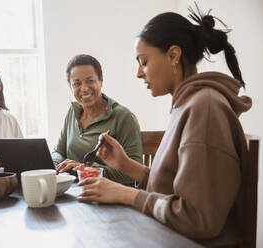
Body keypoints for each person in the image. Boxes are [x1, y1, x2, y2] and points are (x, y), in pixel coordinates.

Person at [77, 6, 252, 245]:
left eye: (144, 62)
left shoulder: (205, 109)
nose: (139, 73)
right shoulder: (188, 105)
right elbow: (173, 188)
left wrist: (124, 193)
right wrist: (126, 165)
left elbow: (198, 218)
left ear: (173, 55)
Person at [53, 54, 142, 186]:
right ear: (70, 86)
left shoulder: (124, 117)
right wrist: (55, 165)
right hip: (75, 192)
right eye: (77, 83)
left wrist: (84, 169)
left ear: (101, 80)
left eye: (90, 81)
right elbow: (59, 151)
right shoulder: (72, 112)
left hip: (112, 198)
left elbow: (132, 175)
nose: (84, 88)